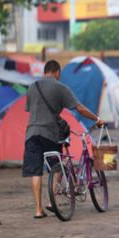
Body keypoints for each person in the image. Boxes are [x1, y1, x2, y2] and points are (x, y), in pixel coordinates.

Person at [23, 60, 104, 219]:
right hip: (50, 134)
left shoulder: (32, 87)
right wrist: (96, 119)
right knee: (58, 167)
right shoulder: (60, 87)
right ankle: (51, 202)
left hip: (31, 134)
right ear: (57, 72)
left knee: (35, 172)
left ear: (45, 71)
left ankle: (38, 210)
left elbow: (30, 109)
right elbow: (79, 108)